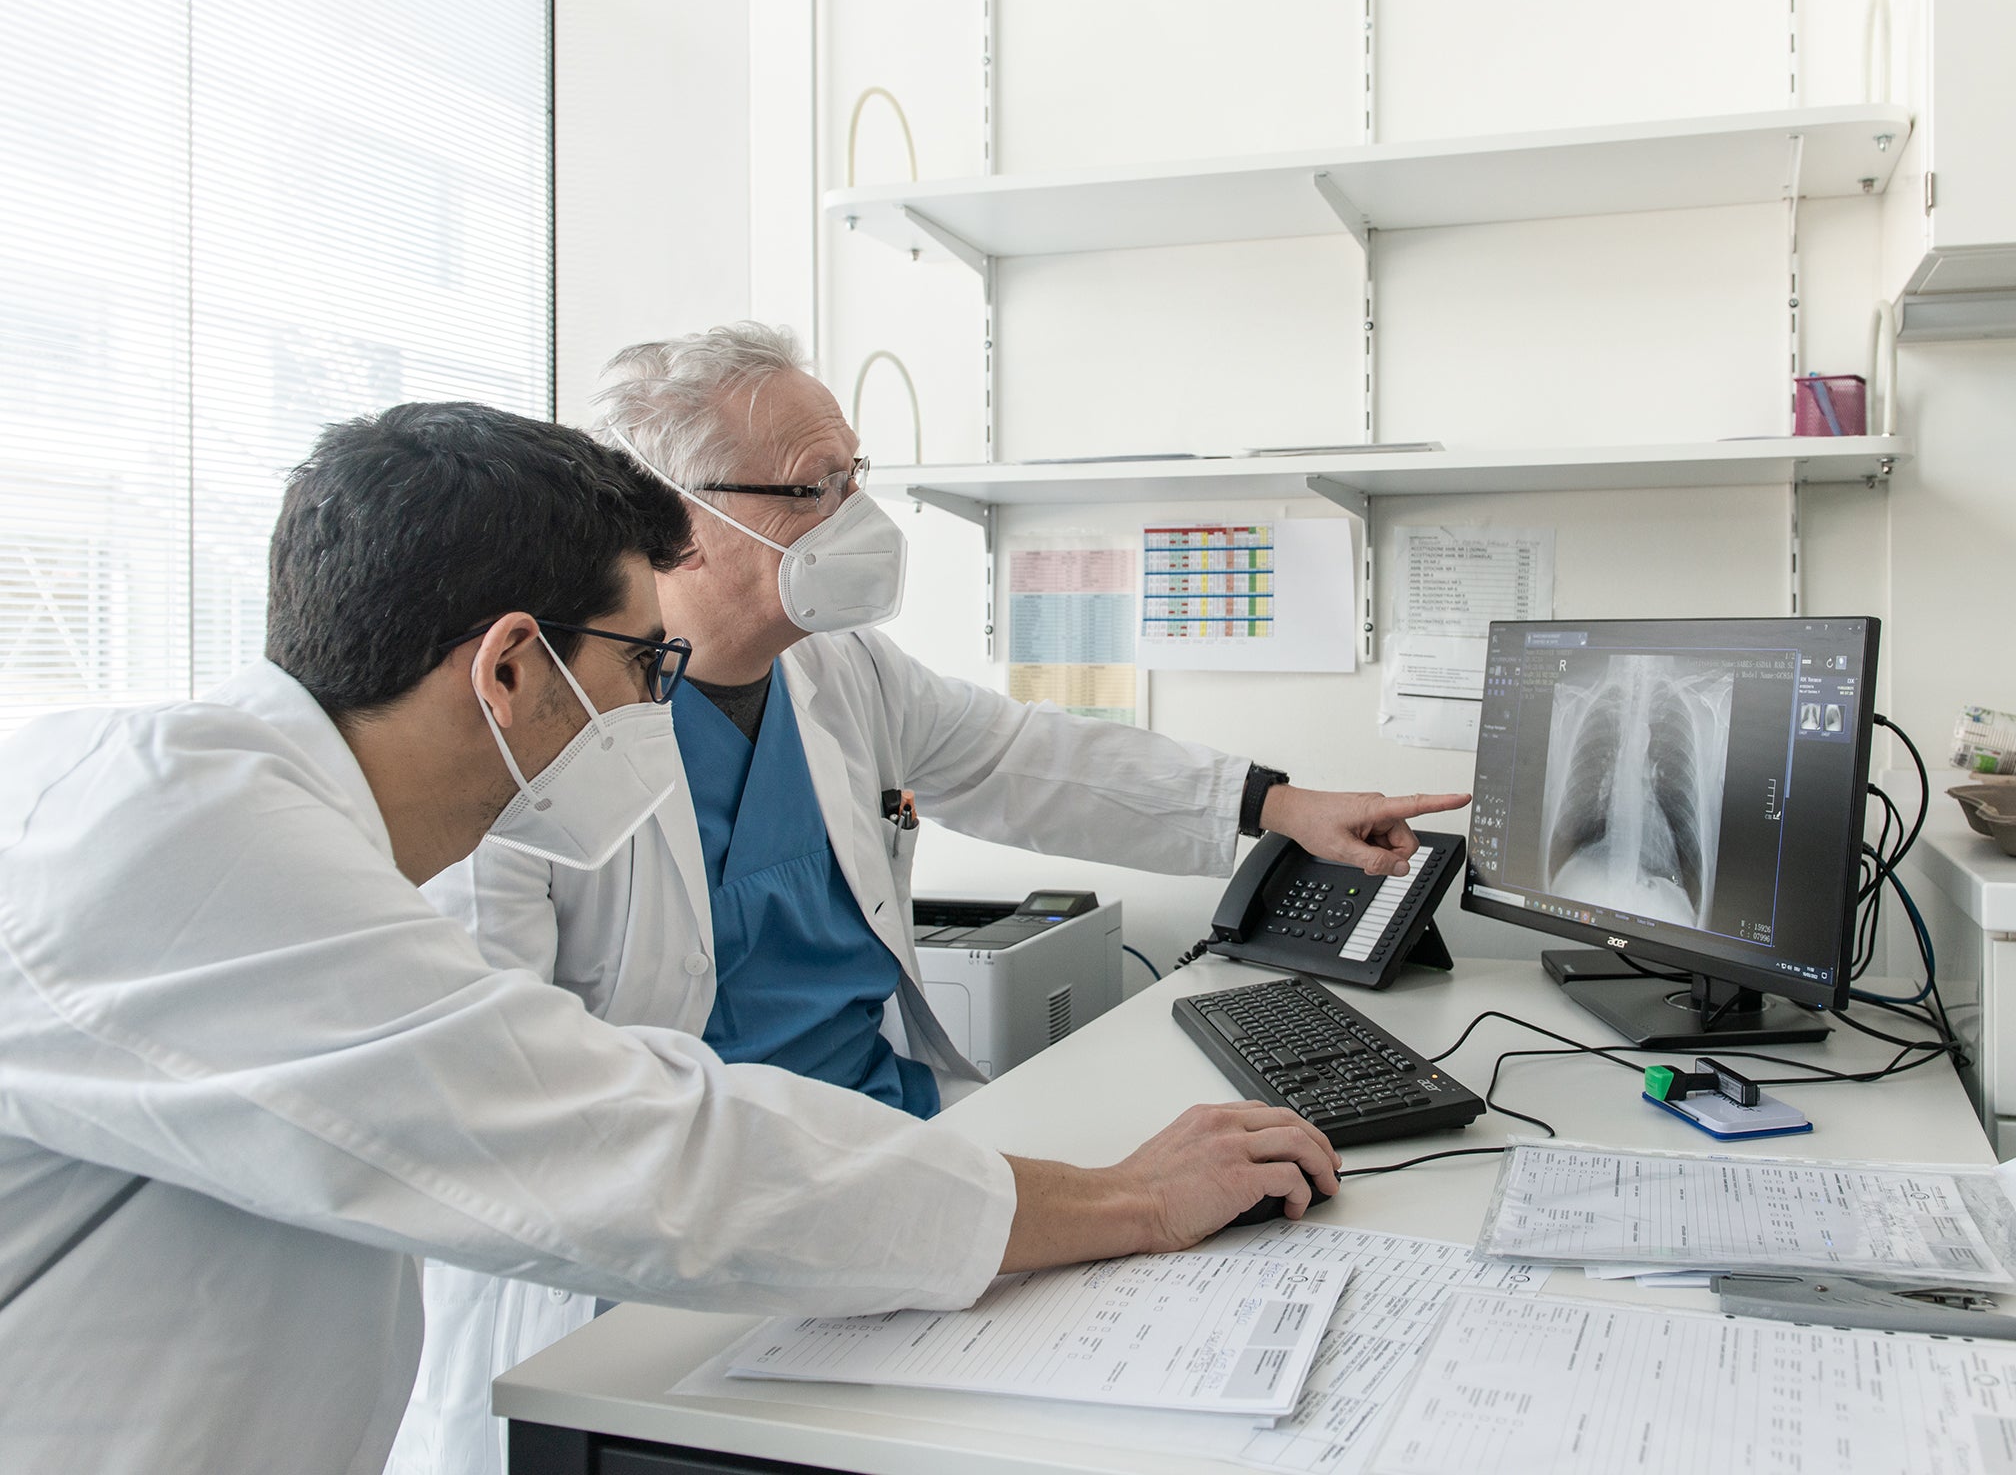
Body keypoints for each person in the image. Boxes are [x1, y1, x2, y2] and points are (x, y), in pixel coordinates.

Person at [0, 402, 1340, 1475]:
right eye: (647, 666)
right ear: (511, 667)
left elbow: (1019, 753)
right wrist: (1130, 1198)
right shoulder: (171, 846)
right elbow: (625, 1146)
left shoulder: (251, 817)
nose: (663, 699)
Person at [391, 323, 1469, 1474]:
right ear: (673, 517)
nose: (858, 515)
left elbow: (1019, 758)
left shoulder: (833, 667)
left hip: (902, 1166)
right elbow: (543, 1131)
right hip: (680, 1265)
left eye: (855, 476)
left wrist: (1274, 803)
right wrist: (1118, 1200)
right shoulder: (521, 744)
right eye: (814, 486)